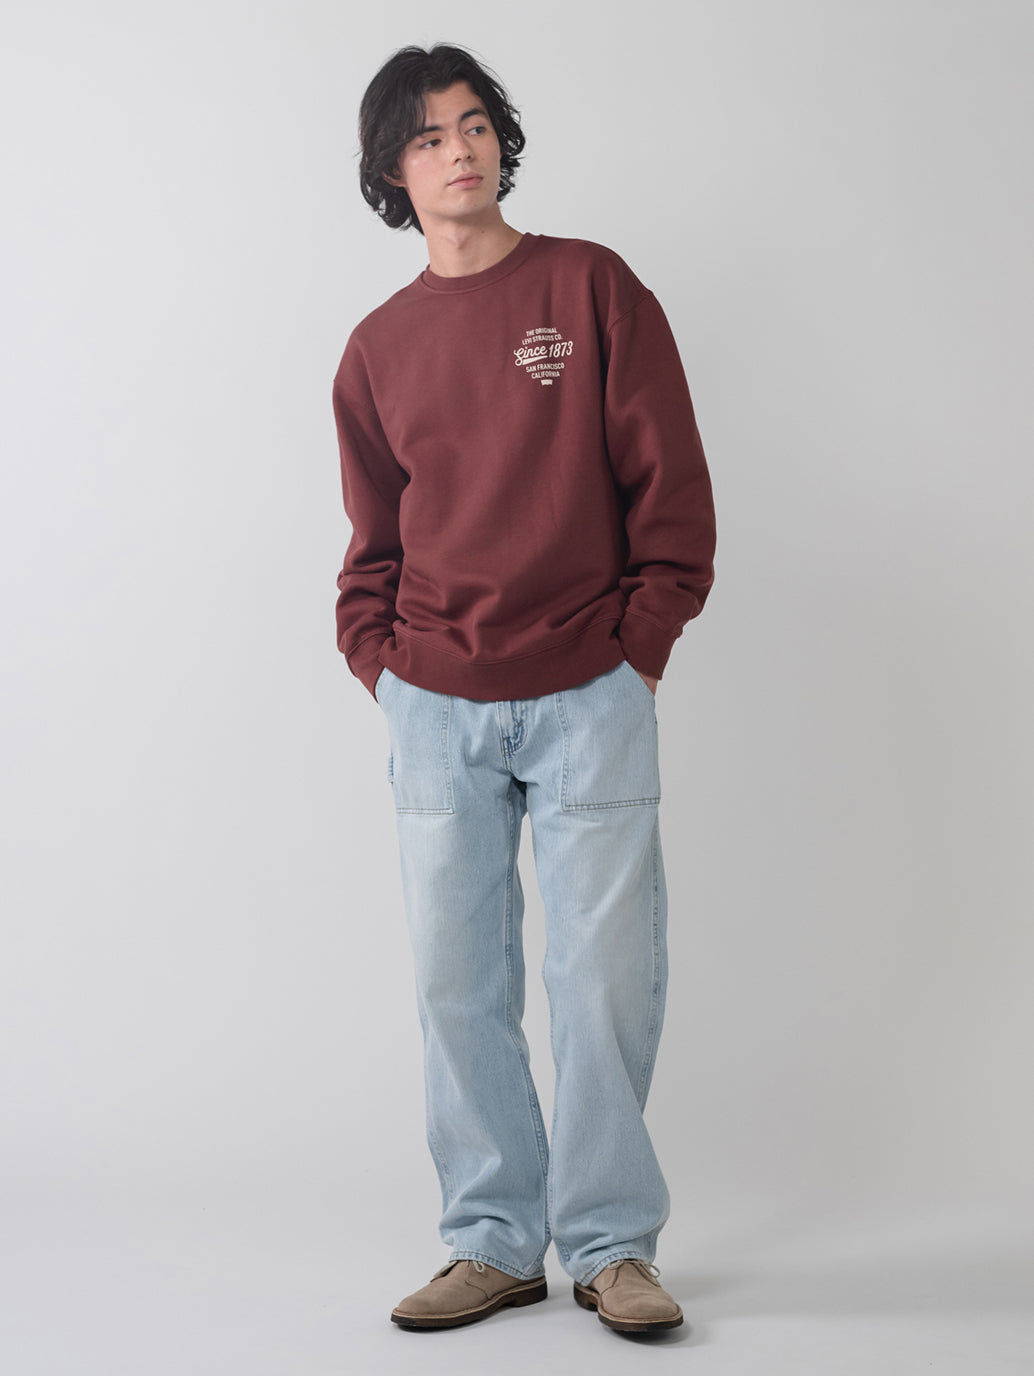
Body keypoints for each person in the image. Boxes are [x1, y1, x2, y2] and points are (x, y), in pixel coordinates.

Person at [332, 43, 716, 1335]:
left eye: (474, 123)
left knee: (605, 980)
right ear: (393, 173)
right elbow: (373, 538)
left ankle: (612, 1246)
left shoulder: (590, 288)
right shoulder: (378, 348)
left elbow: (672, 489)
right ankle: (493, 1241)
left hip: (589, 690)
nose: (460, 149)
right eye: (428, 136)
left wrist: (639, 647)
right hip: (436, 702)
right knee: (459, 984)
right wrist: (384, 669)